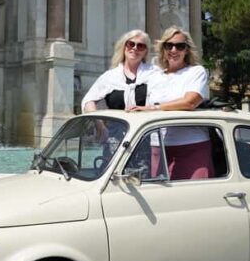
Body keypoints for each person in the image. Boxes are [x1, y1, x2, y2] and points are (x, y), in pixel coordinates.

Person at [129, 26, 212, 180]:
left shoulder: (196, 71)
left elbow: (190, 102)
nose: (174, 50)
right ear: (163, 49)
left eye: (180, 46)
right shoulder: (154, 76)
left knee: (194, 198)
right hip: (158, 147)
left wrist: (156, 108)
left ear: (187, 50)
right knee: (161, 199)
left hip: (191, 146)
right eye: (169, 45)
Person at [81, 30, 155, 111]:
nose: (135, 48)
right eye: (130, 44)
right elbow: (88, 100)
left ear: (145, 52)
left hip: (146, 122)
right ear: (124, 47)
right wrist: (99, 123)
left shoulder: (154, 73)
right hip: (118, 123)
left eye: (140, 46)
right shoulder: (110, 77)